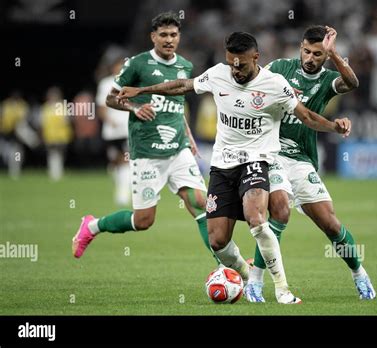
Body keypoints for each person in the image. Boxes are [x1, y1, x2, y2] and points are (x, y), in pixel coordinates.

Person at [118, 31, 352, 304]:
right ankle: (244, 270)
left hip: (256, 161)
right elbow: (182, 85)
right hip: (222, 166)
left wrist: (334, 126)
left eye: (241, 63)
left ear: (256, 58)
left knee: (257, 218)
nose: (236, 69)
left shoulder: (275, 84)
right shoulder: (218, 74)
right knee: (217, 240)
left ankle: (282, 289)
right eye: (231, 63)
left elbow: (307, 116)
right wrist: (142, 90)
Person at [245, 25, 376, 303]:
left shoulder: (328, 78)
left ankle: (359, 274)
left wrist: (335, 54)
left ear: (325, 55)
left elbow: (352, 83)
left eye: (318, 54)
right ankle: (255, 281)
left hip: (302, 159)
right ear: (300, 48)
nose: (310, 58)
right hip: (272, 153)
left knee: (330, 224)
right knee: (279, 209)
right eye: (306, 51)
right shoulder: (280, 67)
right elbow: (252, 88)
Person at [72, 12, 214, 263]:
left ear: (179, 37)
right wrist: (135, 107)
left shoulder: (185, 66)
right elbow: (110, 98)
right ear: (153, 37)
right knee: (143, 220)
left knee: (201, 204)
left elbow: (178, 105)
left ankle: (229, 267)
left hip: (178, 148)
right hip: (147, 153)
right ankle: (92, 226)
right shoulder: (137, 64)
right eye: (163, 35)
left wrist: (189, 135)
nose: (169, 39)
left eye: (173, 35)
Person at [96, 57, 131, 206]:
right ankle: (121, 185)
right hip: (111, 131)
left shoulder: (131, 83)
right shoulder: (105, 84)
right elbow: (101, 108)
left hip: (127, 130)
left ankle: (123, 192)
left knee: (126, 160)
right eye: (118, 65)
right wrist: (110, 121)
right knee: (114, 163)